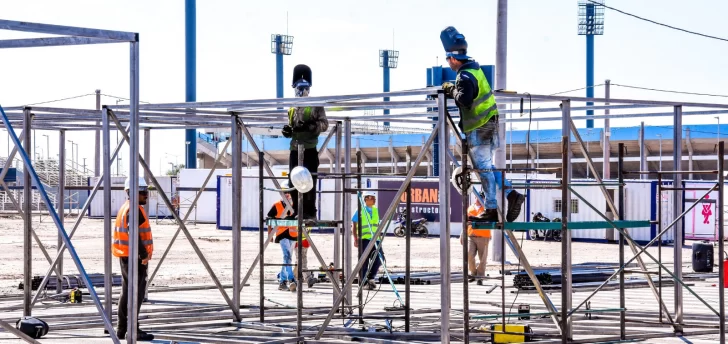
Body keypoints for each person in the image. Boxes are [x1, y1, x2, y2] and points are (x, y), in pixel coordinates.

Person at [440, 26, 524, 223]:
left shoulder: (464, 76)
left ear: (452, 58)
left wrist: (450, 88)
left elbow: (464, 100)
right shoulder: (475, 70)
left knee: (483, 169)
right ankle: (511, 194)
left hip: (479, 128)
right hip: (490, 124)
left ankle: (492, 208)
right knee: (488, 166)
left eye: (448, 60)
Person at [281, 64, 329, 220]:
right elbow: (291, 127)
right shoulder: (292, 107)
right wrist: (288, 130)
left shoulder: (316, 105)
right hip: (295, 148)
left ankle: (310, 212)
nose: (302, 90)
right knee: (293, 180)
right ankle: (297, 211)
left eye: (304, 87)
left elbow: (324, 124)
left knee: (308, 180)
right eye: (299, 87)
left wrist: (310, 126)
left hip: (309, 148)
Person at [112, 177, 154, 341]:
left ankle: (122, 329)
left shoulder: (127, 207)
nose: (146, 195)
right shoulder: (133, 210)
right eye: (143, 192)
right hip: (134, 257)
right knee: (136, 293)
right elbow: (133, 233)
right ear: (133, 192)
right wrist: (143, 254)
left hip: (127, 256)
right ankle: (132, 329)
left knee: (127, 291)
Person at [267, 183, 296, 291]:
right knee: (287, 256)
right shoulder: (276, 205)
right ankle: (292, 279)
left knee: (287, 258)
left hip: (293, 234)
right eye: (285, 192)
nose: (287, 194)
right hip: (282, 233)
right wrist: (270, 235)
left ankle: (282, 281)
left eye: (288, 192)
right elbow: (269, 219)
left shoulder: (295, 205)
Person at [352, 191, 383, 290]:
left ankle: (371, 278)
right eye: (372, 198)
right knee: (363, 261)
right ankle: (363, 282)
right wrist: (355, 239)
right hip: (364, 239)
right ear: (366, 199)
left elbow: (377, 224)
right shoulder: (360, 210)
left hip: (375, 239)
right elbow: (354, 225)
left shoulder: (375, 210)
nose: (374, 200)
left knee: (379, 258)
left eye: (374, 198)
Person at [460, 192, 490, 285]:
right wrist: (462, 233)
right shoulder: (470, 208)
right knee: (469, 255)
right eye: (477, 197)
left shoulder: (487, 208)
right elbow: (465, 221)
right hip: (471, 235)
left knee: (482, 258)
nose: (478, 199)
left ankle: (480, 276)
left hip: (483, 236)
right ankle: (473, 273)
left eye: (481, 197)